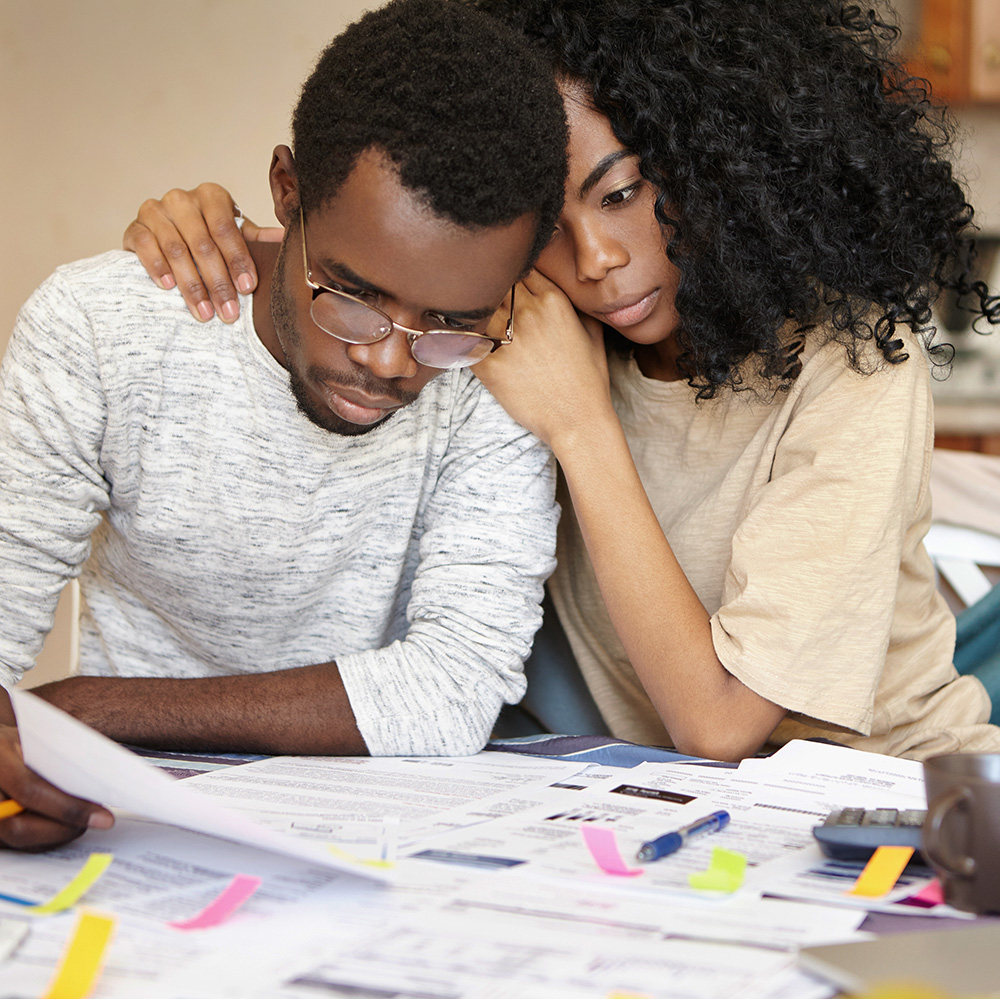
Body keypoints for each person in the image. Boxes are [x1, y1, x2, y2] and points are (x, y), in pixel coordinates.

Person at [126, 0, 1000, 764]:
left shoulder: (849, 361)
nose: (596, 258)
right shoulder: (511, 323)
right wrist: (206, 232)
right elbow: (355, 265)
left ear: (718, 160)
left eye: (621, 193)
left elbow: (720, 724)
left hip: (896, 803)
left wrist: (581, 425)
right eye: (548, 221)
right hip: (644, 803)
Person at [0, 0, 569, 852]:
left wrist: (84, 708)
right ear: (287, 191)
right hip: (126, 819)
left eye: (451, 321)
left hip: (380, 838)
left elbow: (455, 687)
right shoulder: (98, 327)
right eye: (353, 295)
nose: (391, 362)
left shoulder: (497, 372)